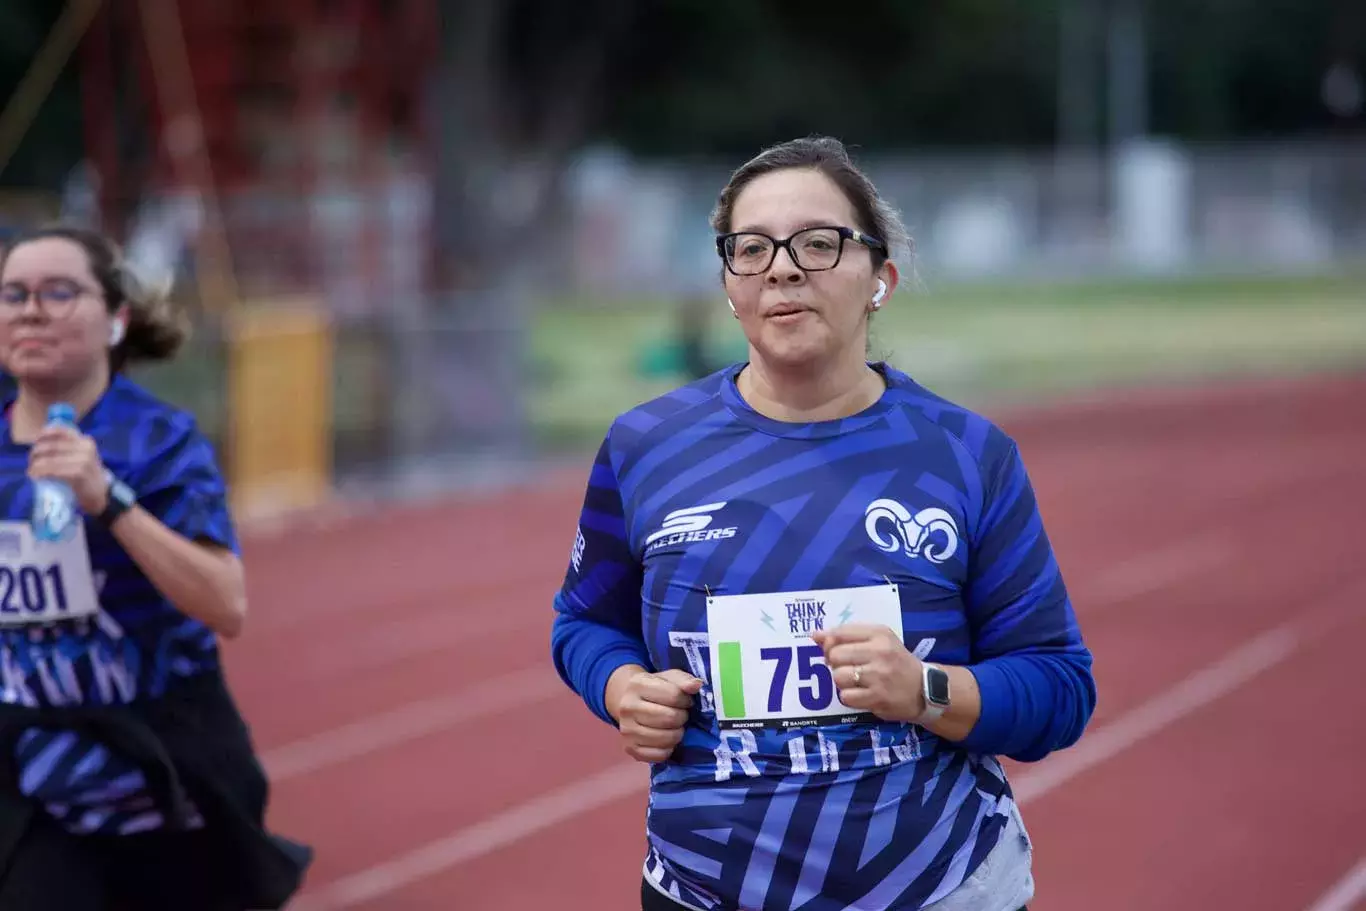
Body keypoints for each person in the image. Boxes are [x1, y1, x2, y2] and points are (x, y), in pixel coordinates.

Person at [550, 136, 1096, 911]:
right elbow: (581, 621)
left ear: (882, 278)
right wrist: (620, 685)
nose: (783, 266)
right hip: (701, 890)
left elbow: (1059, 686)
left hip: (936, 889)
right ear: (730, 282)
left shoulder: (968, 457)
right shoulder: (647, 447)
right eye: (752, 247)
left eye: (819, 241)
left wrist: (923, 688)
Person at [0, 224, 311, 908]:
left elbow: (225, 603)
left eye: (58, 291)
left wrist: (108, 500)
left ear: (115, 319)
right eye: (14, 293)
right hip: (33, 780)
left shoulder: (158, 440)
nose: (30, 310)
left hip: (164, 774)